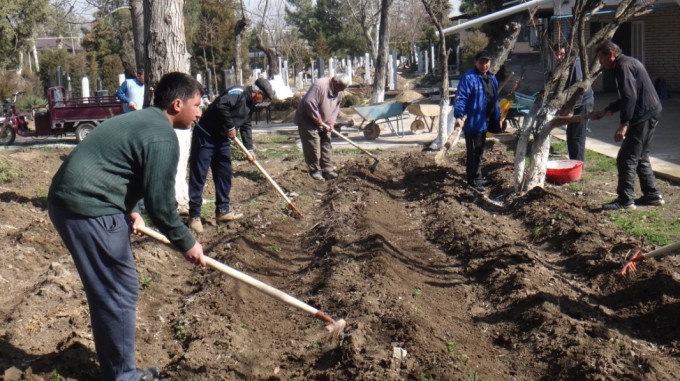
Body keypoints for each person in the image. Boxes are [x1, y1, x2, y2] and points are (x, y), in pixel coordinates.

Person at [48, 72, 206, 381]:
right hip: (88, 208)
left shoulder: (145, 120)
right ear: (177, 104)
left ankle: (119, 372)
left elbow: (122, 164)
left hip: (75, 200)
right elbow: (161, 207)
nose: (200, 113)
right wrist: (187, 242)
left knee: (112, 289)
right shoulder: (162, 136)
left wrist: (131, 209)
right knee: (118, 289)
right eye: (197, 105)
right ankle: (123, 376)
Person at [187, 78, 276, 233]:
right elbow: (222, 105)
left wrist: (249, 149)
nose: (264, 101)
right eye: (265, 97)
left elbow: (246, 125)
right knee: (199, 176)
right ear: (258, 93)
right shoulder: (238, 92)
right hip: (205, 136)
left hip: (222, 140)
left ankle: (222, 211)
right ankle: (194, 216)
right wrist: (229, 126)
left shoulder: (251, 105)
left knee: (224, 174)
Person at [590, 41, 665, 210]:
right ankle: (652, 195)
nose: (601, 64)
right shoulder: (628, 62)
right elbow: (626, 98)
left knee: (626, 158)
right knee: (640, 155)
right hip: (651, 111)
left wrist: (624, 124)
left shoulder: (623, 67)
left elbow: (630, 98)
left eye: (601, 60)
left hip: (643, 115)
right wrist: (605, 111)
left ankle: (625, 200)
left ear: (611, 54)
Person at [452, 50, 502, 192]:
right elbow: (461, 98)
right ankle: (473, 180)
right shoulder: (469, 78)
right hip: (473, 121)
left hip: (485, 120)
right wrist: (459, 116)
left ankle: (476, 177)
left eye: (487, 62)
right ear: (476, 62)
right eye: (481, 62)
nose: (484, 65)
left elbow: (495, 100)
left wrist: (497, 118)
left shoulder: (491, 78)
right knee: (473, 152)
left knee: (479, 151)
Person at [295, 73, 350, 180]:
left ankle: (327, 169)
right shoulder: (320, 85)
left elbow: (336, 108)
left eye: (344, 88)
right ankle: (315, 170)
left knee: (326, 143)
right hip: (308, 120)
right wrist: (316, 118)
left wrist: (331, 122)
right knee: (313, 144)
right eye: (341, 87)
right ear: (336, 82)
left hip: (323, 120)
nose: (342, 90)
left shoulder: (339, 91)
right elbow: (308, 102)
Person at [552, 44, 594, 161]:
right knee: (570, 135)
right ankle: (572, 161)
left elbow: (579, 89)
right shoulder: (562, 65)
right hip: (571, 104)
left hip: (582, 103)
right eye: (556, 54)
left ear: (568, 53)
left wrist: (570, 109)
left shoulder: (575, 64)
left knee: (577, 136)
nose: (559, 57)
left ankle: (578, 164)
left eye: (562, 54)